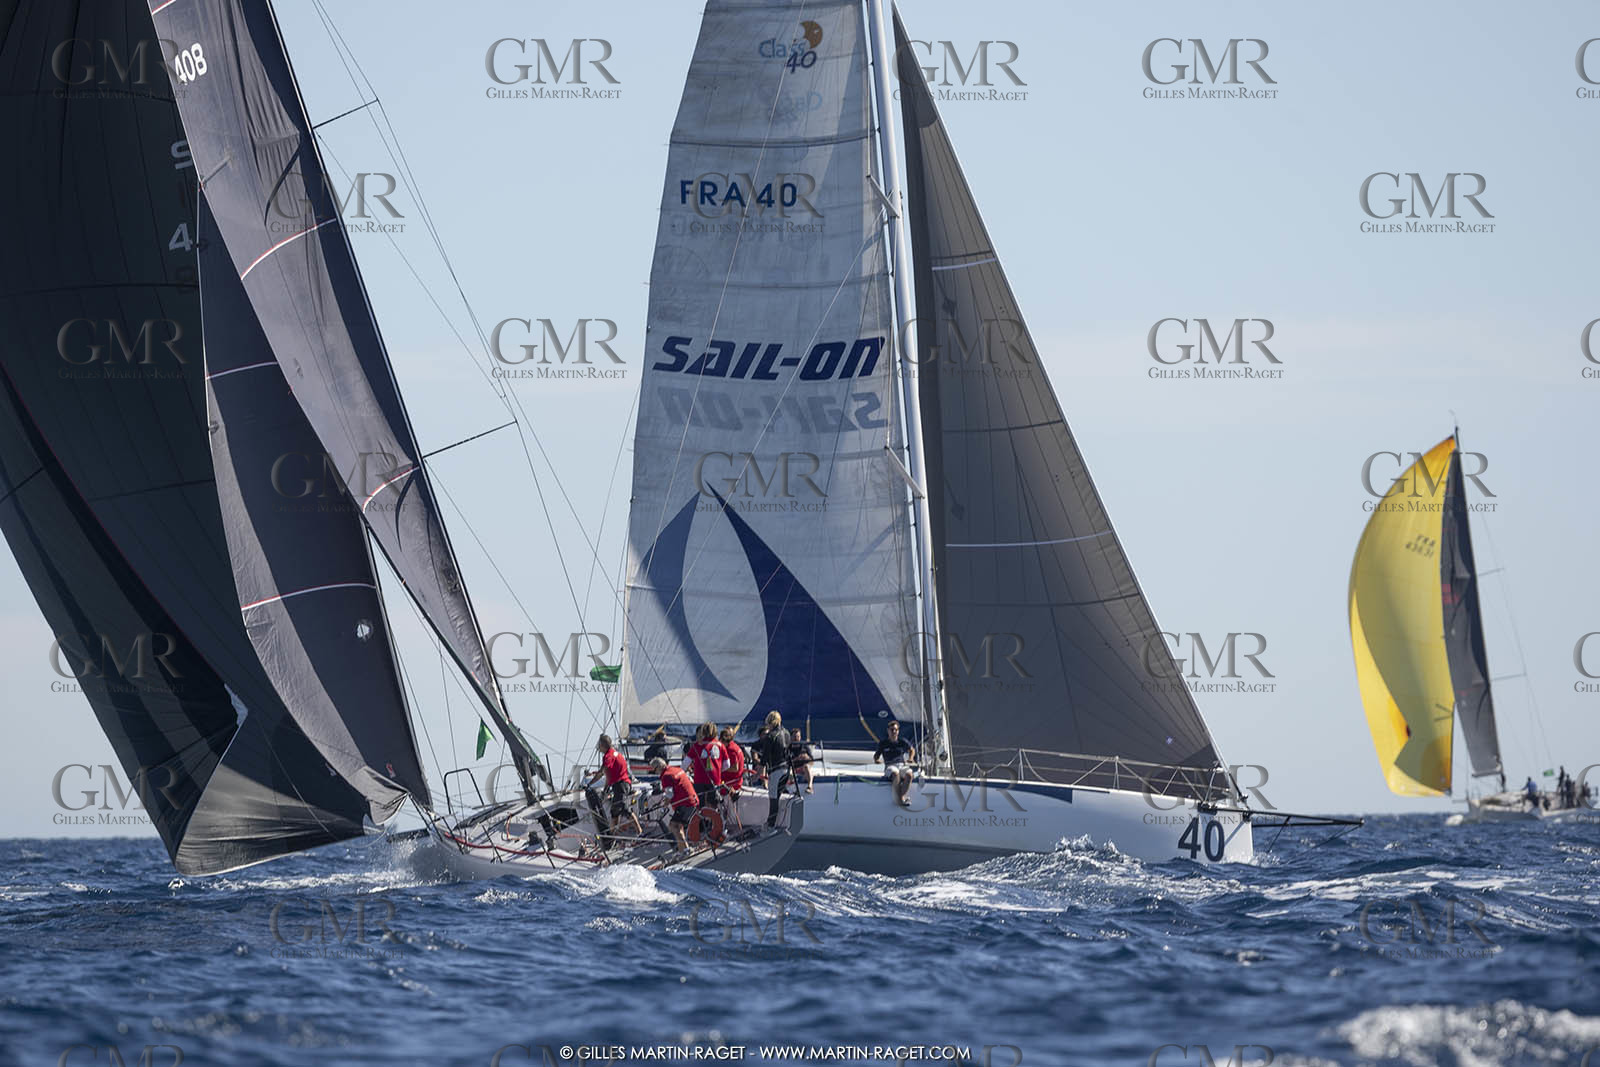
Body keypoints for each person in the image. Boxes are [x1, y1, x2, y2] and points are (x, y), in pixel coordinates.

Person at [585, 734, 641, 845]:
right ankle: (612, 838)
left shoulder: (608, 756)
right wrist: (605, 789)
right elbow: (609, 775)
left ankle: (640, 832)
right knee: (614, 811)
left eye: (599, 745)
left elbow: (602, 773)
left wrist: (589, 784)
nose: (598, 747)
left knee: (624, 808)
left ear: (602, 745)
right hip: (622, 784)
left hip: (621, 785)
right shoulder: (616, 753)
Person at [751, 710, 792, 827]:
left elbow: (763, 760)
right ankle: (780, 823)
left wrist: (756, 776)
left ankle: (770, 825)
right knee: (779, 796)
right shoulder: (787, 733)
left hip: (776, 771)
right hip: (786, 770)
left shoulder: (770, 736)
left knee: (773, 798)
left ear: (770, 722)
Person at [652, 757, 698, 851]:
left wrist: (663, 805)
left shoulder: (666, 776)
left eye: (654, 769)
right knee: (678, 826)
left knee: (673, 826)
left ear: (659, 767)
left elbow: (670, 795)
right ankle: (682, 850)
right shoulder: (676, 769)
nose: (655, 772)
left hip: (685, 803)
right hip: (692, 799)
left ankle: (686, 850)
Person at [873, 720, 917, 807]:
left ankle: (900, 797)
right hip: (890, 766)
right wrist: (876, 760)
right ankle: (901, 800)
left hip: (901, 765)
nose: (894, 732)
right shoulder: (883, 743)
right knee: (895, 773)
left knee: (909, 774)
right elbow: (876, 756)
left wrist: (911, 758)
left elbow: (912, 750)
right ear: (888, 731)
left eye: (895, 730)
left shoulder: (902, 741)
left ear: (898, 731)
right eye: (892, 729)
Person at [685, 722, 724, 813]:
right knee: (713, 805)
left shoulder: (697, 745)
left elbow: (685, 764)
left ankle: (701, 824)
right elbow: (727, 764)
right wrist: (718, 770)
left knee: (699, 804)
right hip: (715, 780)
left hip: (699, 779)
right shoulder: (720, 745)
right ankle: (714, 824)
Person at [718, 726, 746, 828]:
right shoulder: (734, 746)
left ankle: (728, 826)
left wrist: (719, 768)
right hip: (733, 782)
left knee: (725, 808)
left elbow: (735, 768)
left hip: (731, 784)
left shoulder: (730, 750)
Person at [788, 727, 814, 794]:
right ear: (791, 737)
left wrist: (807, 758)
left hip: (804, 767)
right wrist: (797, 758)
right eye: (794, 736)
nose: (796, 738)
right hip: (793, 767)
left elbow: (812, 761)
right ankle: (793, 789)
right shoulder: (788, 748)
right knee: (789, 771)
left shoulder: (804, 746)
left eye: (798, 736)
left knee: (806, 767)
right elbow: (785, 762)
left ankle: (810, 787)